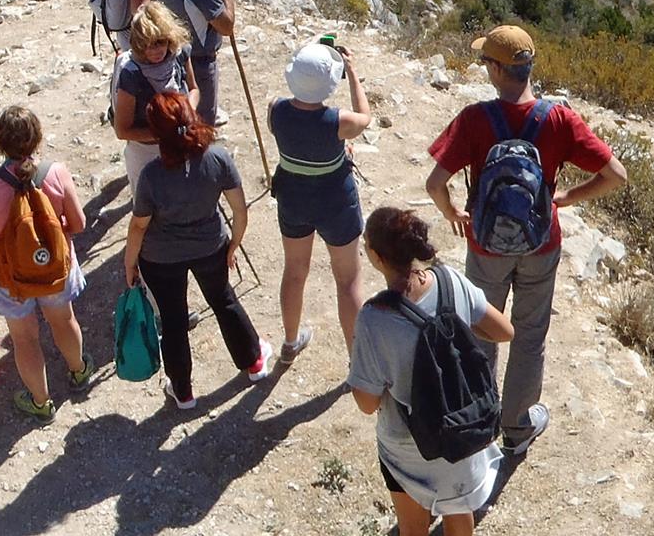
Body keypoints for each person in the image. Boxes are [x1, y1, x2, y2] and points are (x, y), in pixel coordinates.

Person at [423, 24, 627, 457]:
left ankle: (479, 418)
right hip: (540, 243)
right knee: (529, 335)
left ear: (498, 70)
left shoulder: (475, 119)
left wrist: (453, 214)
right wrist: (564, 199)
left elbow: (435, 183)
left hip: (486, 246)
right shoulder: (558, 118)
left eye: (486, 62)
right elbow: (616, 175)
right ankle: (517, 428)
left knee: (481, 328)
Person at [346, 206, 516, 536]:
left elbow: (367, 404)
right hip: (464, 432)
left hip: (409, 448)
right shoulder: (450, 280)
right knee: (459, 511)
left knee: (412, 529)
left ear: (376, 256)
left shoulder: (374, 317)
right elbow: (504, 331)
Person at [122, 90, 271, 409]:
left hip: (161, 258)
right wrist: (234, 244)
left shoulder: (151, 176)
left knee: (174, 321)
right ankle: (253, 362)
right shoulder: (218, 158)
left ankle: (183, 391)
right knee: (224, 301)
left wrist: (129, 262)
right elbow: (239, 210)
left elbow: (138, 225)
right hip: (210, 247)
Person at [0, 104, 92, 421]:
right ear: (37, 138)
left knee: (24, 338)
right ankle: (78, 372)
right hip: (54, 271)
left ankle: (40, 401)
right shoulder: (56, 172)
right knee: (63, 321)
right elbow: (78, 224)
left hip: (7, 277)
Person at [268, 40, 370, 356]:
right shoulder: (340, 122)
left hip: (293, 198)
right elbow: (364, 116)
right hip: (335, 201)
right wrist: (352, 72)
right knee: (348, 280)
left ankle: (290, 339)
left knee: (295, 270)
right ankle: (357, 358)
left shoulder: (276, 110)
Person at [113, 1, 200, 197]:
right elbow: (123, 130)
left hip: (181, 142)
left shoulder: (180, 53)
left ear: (169, 37)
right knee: (147, 206)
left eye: (159, 42)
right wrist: (165, 134)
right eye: (146, 45)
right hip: (146, 153)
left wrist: (188, 110)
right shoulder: (131, 75)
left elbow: (193, 89)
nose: (154, 51)